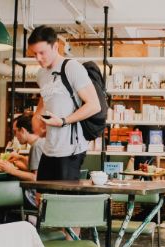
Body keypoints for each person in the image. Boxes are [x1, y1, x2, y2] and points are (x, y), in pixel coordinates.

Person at [28, 25, 100, 181]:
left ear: (55, 46)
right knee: (42, 196)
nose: (38, 58)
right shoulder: (41, 74)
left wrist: (63, 121)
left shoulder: (71, 67)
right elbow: (45, 98)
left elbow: (94, 105)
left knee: (63, 201)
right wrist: (37, 116)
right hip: (49, 148)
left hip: (71, 149)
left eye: (42, 53)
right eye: (34, 54)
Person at [0, 114, 45, 208]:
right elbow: (41, 169)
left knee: (0, 193)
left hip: (35, 197)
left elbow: (36, 178)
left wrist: (12, 170)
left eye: (15, 132)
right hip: (43, 194)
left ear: (23, 130)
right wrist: (20, 158)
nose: (15, 136)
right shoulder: (41, 142)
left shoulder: (36, 146)